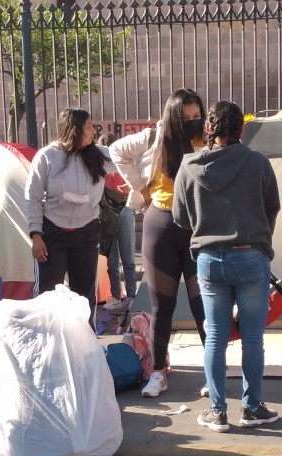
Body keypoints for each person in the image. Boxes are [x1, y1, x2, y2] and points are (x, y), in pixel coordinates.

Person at [172, 100, 281, 432]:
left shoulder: (188, 165)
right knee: (252, 337)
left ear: (208, 129)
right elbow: (271, 207)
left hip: (208, 260)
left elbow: (179, 217)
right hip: (251, 257)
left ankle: (217, 412)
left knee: (216, 336)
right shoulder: (258, 163)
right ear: (241, 130)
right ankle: (251, 409)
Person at [110, 88, 208, 398]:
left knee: (202, 305)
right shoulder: (154, 137)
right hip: (160, 224)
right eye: (186, 117)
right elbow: (116, 152)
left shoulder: (206, 139)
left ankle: (213, 372)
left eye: (197, 116)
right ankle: (157, 373)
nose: (193, 123)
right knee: (161, 306)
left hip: (196, 229)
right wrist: (141, 186)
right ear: (173, 116)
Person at [25, 108, 117, 328]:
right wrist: (35, 234)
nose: (93, 131)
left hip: (87, 233)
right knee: (48, 296)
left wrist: (157, 136)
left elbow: (127, 155)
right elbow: (33, 197)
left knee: (84, 296)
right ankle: (46, 344)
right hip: (52, 235)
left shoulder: (100, 155)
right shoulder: (48, 156)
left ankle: (86, 347)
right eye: (87, 126)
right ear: (74, 130)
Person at [98, 132, 136, 310]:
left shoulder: (124, 163)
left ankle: (130, 295)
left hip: (123, 208)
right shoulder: (99, 165)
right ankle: (118, 295)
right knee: (113, 259)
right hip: (109, 211)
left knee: (126, 258)